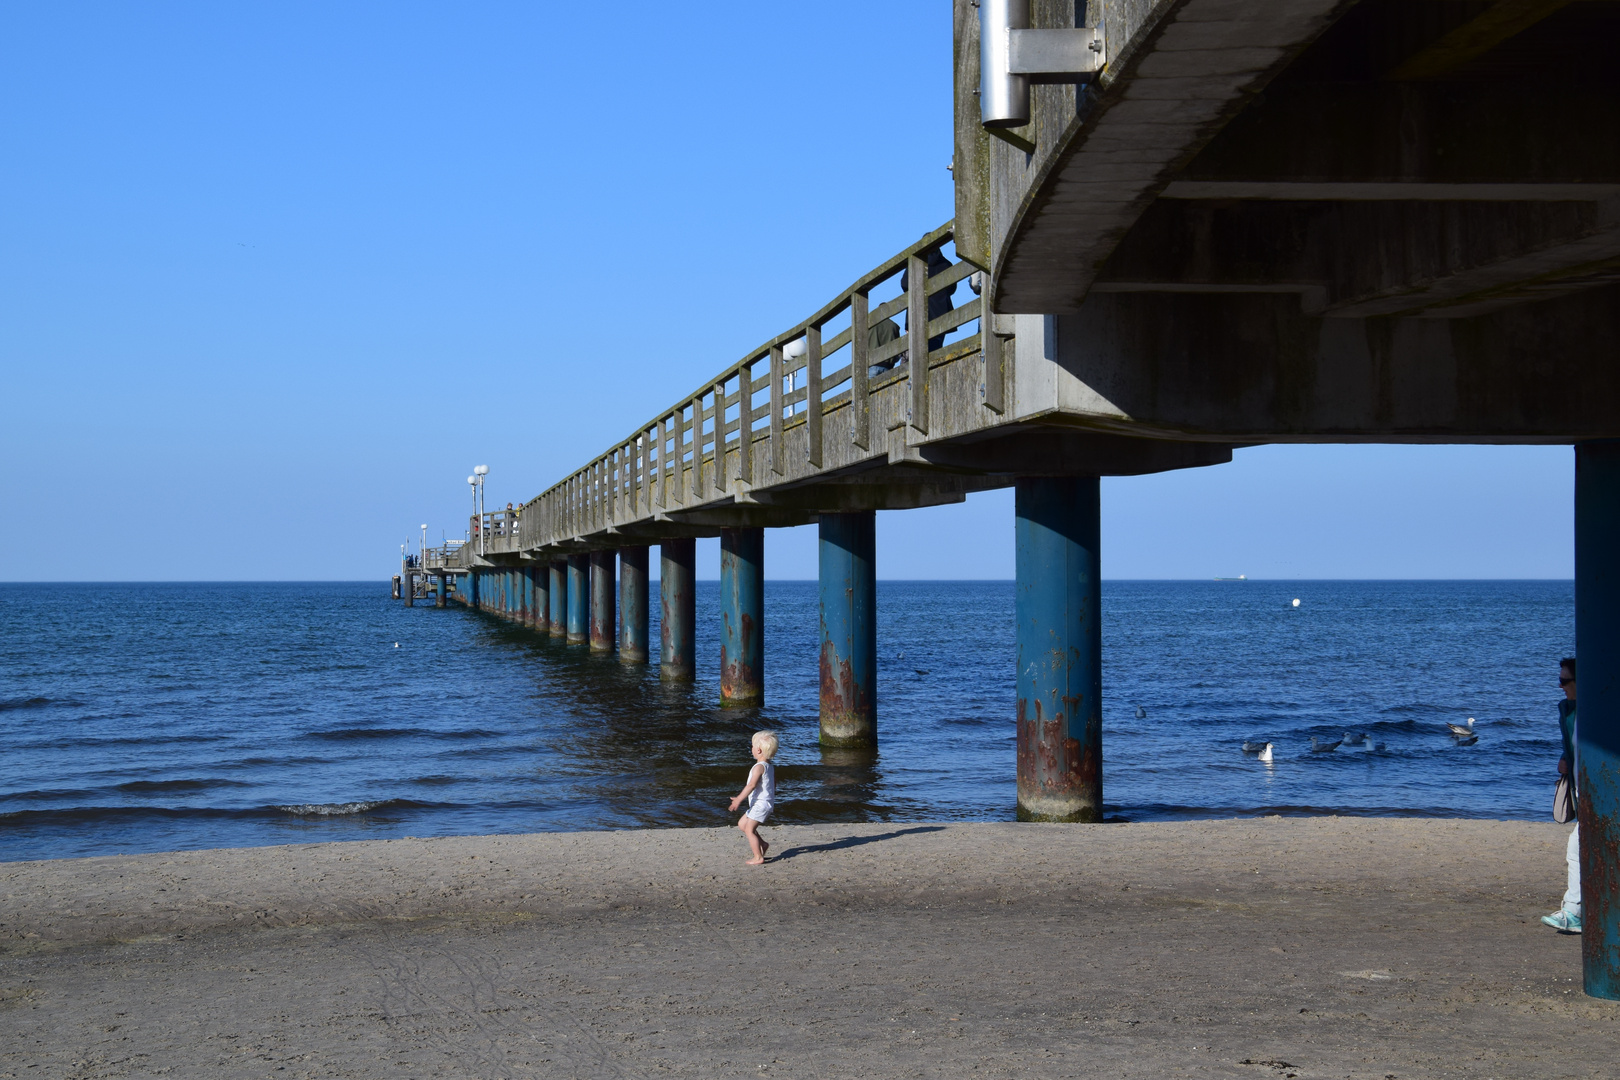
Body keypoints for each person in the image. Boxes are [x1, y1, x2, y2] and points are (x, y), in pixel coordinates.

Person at [1543, 657, 1581, 932]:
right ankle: (1575, 911)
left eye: (1564, 681)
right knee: (1577, 847)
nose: (1560, 686)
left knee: (1577, 847)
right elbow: (1575, 746)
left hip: (1599, 793)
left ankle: (1573, 912)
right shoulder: (1569, 710)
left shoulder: (1600, 712)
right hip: (1584, 792)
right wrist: (1564, 760)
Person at [728, 731, 779, 866]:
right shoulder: (769, 766)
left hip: (760, 805)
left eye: (752, 746)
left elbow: (751, 785)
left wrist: (739, 799)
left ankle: (758, 857)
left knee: (749, 830)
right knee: (742, 824)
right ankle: (762, 844)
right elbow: (773, 783)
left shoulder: (758, 767)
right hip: (762, 804)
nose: (751, 749)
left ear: (758, 750)